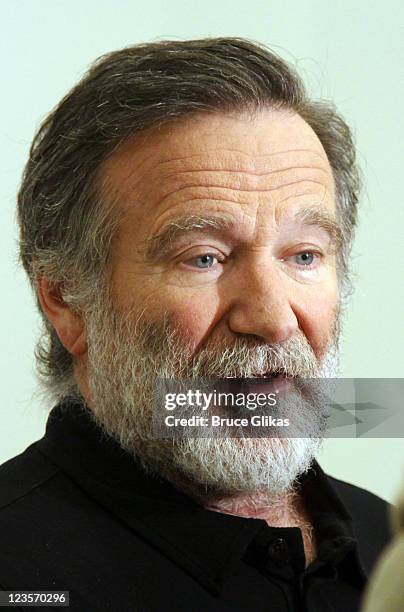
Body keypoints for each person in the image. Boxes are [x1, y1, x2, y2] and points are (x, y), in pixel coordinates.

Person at [0, 38, 391, 611]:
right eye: (203, 257)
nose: (272, 319)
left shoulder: (388, 544)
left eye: (304, 255)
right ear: (67, 301)